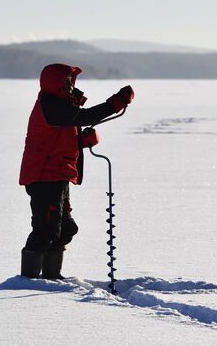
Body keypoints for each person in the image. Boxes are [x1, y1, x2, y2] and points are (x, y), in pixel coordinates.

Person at [19, 63, 134, 279]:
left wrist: (81, 141)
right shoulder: (50, 104)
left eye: (71, 81)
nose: (70, 85)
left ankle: (52, 278)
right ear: (54, 83)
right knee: (46, 230)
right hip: (43, 176)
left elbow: (56, 138)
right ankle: (28, 281)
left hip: (59, 174)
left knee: (65, 229)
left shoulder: (60, 105)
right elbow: (85, 117)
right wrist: (116, 103)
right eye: (66, 81)